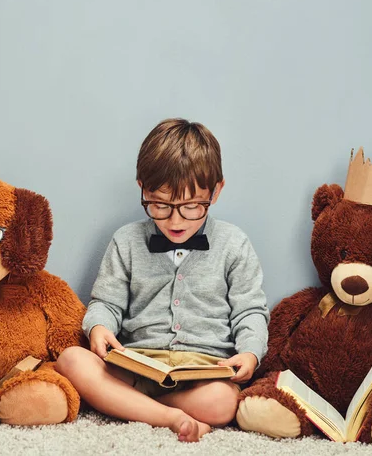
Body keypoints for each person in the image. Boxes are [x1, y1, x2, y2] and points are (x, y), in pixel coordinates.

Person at [55, 118, 269, 442]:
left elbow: (250, 311)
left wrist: (250, 352)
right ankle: (170, 416)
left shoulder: (234, 243)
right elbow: (105, 303)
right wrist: (99, 328)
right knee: (71, 360)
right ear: (143, 188)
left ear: (216, 191)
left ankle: (135, 409)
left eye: (191, 207)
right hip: (136, 367)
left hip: (202, 372)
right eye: (160, 205)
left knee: (225, 402)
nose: (175, 220)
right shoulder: (125, 241)